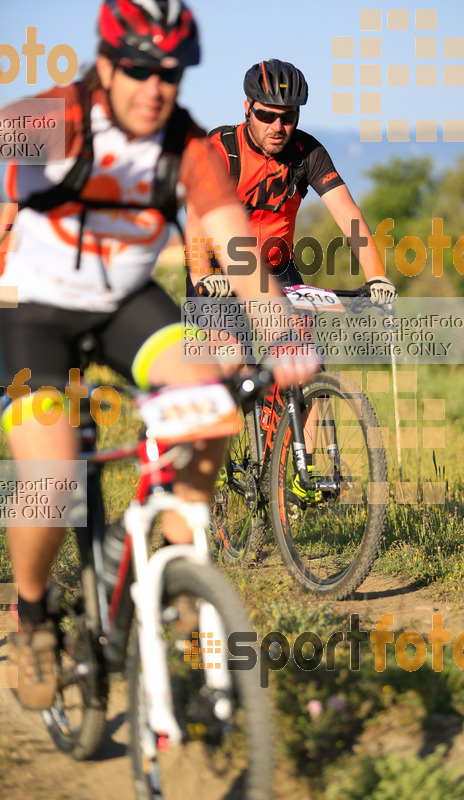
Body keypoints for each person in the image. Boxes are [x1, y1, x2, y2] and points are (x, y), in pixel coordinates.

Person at [0, 3, 318, 710]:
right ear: (106, 64)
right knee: (50, 477)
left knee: (210, 406)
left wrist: (283, 333)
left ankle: (171, 563)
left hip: (124, 302)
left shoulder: (188, 147)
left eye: (171, 72)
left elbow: (236, 246)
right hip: (33, 313)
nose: (155, 86)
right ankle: (31, 617)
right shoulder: (47, 117)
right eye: (139, 68)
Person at [186, 58, 397, 302]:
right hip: (217, 270)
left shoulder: (307, 151)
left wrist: (376, 276)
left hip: (278, 270)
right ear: (247, 108)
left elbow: (347, 214)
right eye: (266, 115)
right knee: (230, 342)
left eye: (287, 118)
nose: (277, 127)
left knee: (297, 341)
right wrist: (201, 272)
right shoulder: (220, 150)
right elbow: (195, 216)